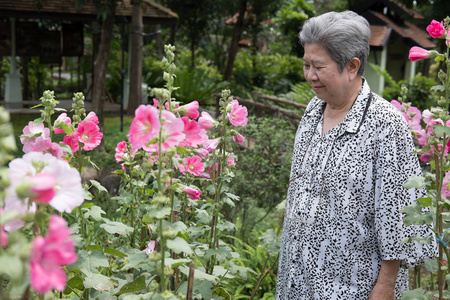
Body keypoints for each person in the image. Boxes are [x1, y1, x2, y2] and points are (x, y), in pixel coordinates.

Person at [275, 11, 437, 300]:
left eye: (318, 66)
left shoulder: (385, 124)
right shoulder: (313, 111)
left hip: (350, 288)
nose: (309, 75)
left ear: (352, 66)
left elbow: (397, 217)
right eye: (306, 64)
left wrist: (385, 288)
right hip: (297, 283)